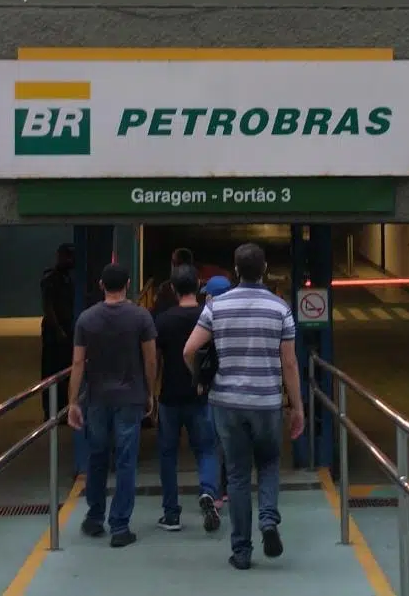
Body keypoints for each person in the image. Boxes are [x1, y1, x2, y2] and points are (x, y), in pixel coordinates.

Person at [184, 243, 304, 571]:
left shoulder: (216, 306)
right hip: (266, 402)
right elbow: (289, 363)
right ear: (264, 269)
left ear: (236, 270)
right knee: (269, 464)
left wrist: (201, 379)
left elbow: (189, 350)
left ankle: (241, 551)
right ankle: (268, 520)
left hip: (226, 403)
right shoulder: (280, 308)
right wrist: (297, 407)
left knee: (237, 475)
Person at [67, 262, 157, 547]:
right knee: (126, 460)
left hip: (97, 398)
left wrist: (72, 402)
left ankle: (95, 518)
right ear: (128, 284)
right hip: (130, 398)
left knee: (97, 457)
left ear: (101, 285)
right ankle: (120, 526)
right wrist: (150, 392)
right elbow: (150, 359)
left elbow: (78, 362)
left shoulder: (86, 319)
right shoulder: (141, 317)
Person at [153, 264, 222, 533]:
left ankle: (171, 514)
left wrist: (152, 392)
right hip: (201, 395)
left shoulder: (162, 320)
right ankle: (208, 492)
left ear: (172, 288)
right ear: (199, 286)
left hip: (170, 396)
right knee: (206, 449)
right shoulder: (209, 316)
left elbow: (156, 360)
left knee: (168, 454)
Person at [201, 274, 233, 509]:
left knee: (214, 443)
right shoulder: (239, 317)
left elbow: (193, 352)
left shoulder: (209, 318)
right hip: (239, 390)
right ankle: (231, 488)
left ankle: (217, 491)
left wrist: (200, 379)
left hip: (216, 389)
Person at [39, 244, 75, 420]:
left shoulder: (71, 278)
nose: (69, 260)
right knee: (51, 371)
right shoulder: (51, 279)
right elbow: (48, 307)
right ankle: (50, 411)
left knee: (66, 371)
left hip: (68, 329)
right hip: (54, 333)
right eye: (66, 256)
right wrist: (58, 330)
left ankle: (63, 408)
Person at [152, 248, 194, 315]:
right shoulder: (201, 287)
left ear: (174, 265)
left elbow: (157, 314)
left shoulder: (165, 288)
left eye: (173, 262)